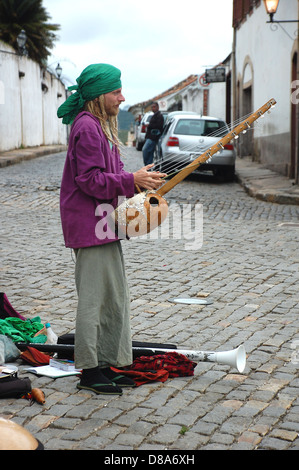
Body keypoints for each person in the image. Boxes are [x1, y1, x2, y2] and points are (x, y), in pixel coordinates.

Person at [57, 63, 166, 395]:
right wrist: (131, 180)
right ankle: (90, 372)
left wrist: (138, 181)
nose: (122, 97)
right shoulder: (87, 127)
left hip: (104, 223)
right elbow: (89, 181)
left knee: (114, 298)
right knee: (94, 300)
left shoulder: (101, 125)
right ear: (100, 94)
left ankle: (106, 364)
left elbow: (114, 173)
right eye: (116, 91)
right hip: (89, 226)